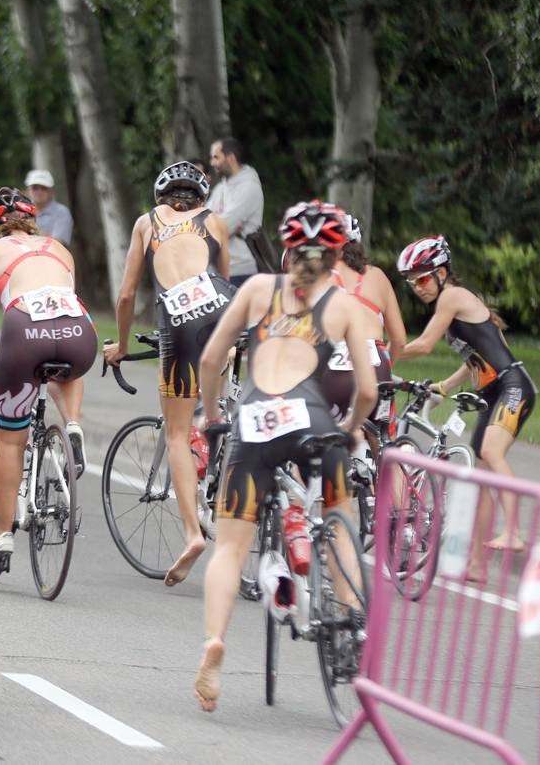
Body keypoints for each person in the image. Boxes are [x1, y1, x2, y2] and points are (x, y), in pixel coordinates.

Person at [194, 199, 377, 713]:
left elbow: (211, 359)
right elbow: (366, 389)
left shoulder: (255, 290)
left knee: (230, 547)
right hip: (315, 422)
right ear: (337, 254)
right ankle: (349, 627)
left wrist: (212, 417)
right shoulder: (343, 305)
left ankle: (214, 640)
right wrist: (350, 428)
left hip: (253, 426)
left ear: (285, 248)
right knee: (340, 523)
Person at [0, 187, 97, 569]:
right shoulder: (60, 249)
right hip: (80, 334)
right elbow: (62, 307)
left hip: (24, 330)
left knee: (12, 440)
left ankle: (3, 535)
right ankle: (72, 424)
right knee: (65, 363)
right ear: (31, 221)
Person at [104, 161, 233, 586]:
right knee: (219, 409)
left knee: (177, 434)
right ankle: (223, 454)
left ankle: (193, 533)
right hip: (221, 313)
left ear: (162, 197)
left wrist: (121, 346)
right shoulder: (216, 223)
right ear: (201, 199)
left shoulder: (147, 223)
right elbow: (225, 282)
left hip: (177, 320)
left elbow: (126, 296)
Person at [396, 235, 536, 574]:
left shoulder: (454, 296)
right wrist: (445, 386)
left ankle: (515, 531)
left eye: (424, 277)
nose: (418, 287)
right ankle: (476, 564)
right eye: (412, 282)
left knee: (491, 451)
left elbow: (426, 344)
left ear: (442, 272)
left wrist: (382, 350)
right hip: (490, 394)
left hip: (513, 386)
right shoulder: (458, 304)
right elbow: (475, 358)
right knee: (481, 481)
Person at [320, 212, 407, 429]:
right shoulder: (377, 276)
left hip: (332, 366)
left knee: (321, 440)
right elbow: (399, 341)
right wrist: (385, 367)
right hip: (375, 363)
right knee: (384, 448)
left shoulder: (321, 276)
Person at [206, 137, 264, 286]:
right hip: (216, 270)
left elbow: (223, 227)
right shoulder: (220, 189)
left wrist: (220, 226)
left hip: (241, 271)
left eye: (216, 157)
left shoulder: (249, 188)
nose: (212, 163)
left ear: (231, 158)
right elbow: (202, 223)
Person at [25, 169, 73, 245]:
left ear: (51, 191)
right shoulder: (21, 211)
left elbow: (57, 243)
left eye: (44, 188)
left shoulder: (61, 212)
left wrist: (29, 234)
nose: (39, 191)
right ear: (28, 190)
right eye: (35, 188)